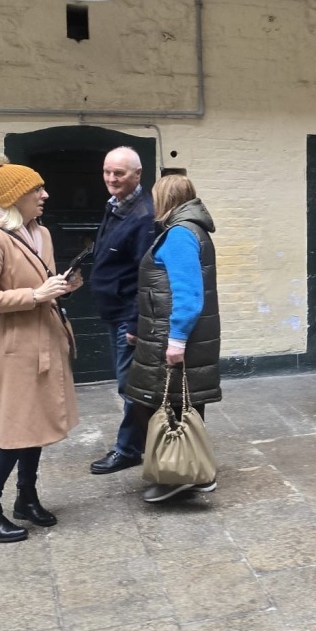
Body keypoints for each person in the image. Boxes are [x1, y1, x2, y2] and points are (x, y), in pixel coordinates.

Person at [0, 151, 81, 542]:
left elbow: (42, 286)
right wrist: (34, 295)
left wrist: (62, 287)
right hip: (14, 348)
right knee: (15, 430)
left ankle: (26, 498)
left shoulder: (42, 234)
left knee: (36, 424)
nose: (45, 195)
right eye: (37, 190)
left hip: (45, 340)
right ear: (16, 197)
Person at [124, 175, 222, 503]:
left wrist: (177, 340)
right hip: (169, 333)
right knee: (183, 403)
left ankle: (179, 475)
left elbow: (189, 294)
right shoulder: (191, 230)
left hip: (171, 335)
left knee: (150, 402)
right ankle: (191, 473)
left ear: (166, 199)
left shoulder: (180, 233)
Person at [89, 147, 156, 475]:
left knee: (130, 386)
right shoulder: (117, 205)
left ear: (137, 174)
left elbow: (146, 275)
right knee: (128, 384)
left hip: (127, 316)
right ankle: (144, 444)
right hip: (115, 311)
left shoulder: (143, 216)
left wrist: (134, 323)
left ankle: (130, 449)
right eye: (107, 172)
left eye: (119, 173)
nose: (111, 178)